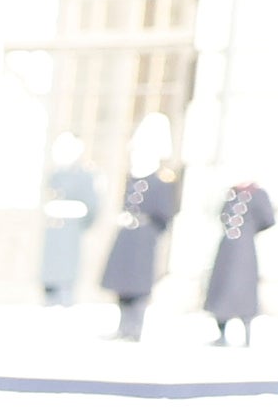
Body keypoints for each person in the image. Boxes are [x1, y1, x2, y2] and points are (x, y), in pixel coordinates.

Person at [100, 134, 176, 339]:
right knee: (122, 281)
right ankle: (123, 326)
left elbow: (164, 213)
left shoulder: (160, 182)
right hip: (128, 235)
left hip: (144, 237)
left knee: (139, 284)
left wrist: (149, 230)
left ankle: (135, 327)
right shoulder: (133, 178)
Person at [203, 175, 276, 348]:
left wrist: (249, 231)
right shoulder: (232, 193)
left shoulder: (258, 194)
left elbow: (267, 219)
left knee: (243, 289)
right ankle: (221, 332)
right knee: (222, 288)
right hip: (227, 248)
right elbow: (222, 214)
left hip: (244, 248)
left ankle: (247, 333)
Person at [36, 134, 101, 308]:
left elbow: (92, 206)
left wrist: (71, 211)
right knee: (50, 273)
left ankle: (64, 298)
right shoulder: (56, 174)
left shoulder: (83, 175)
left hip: (70, 231)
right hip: (54, 229)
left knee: (65, 272)